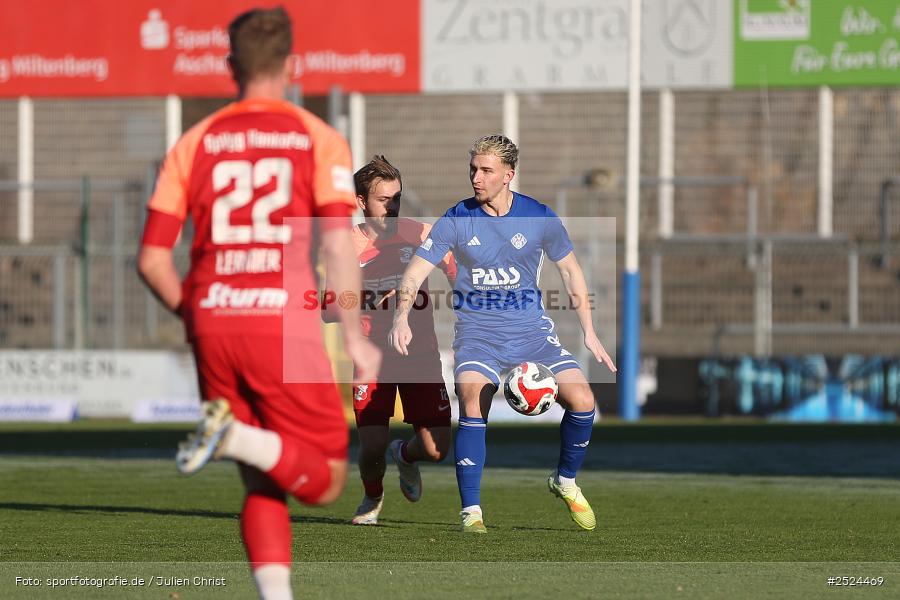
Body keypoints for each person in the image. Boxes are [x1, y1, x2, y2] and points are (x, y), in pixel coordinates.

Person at [137, 8, 380, 599]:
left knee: (263, 481)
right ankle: (229, 436)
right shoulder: (318, 139)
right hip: (280, 324)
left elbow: (150, 259)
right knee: (322, 481)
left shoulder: (192, 143)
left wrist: (199, 318)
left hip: (213, 320)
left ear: (229, 68)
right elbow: (337, 245)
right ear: (293, 67)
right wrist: (353, 337)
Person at [388, 135, 616, 533]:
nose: (476, 177)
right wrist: (401, 316)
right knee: (473, 397)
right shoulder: (457, 218)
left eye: (486, 170)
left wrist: (590, 332)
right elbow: (416, 270)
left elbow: (571, 272)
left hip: (532, 334)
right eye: (473, 169)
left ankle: (564, 481)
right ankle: (471, 512)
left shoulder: (539, 216)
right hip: (479, 335)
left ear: (508, 175)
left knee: (583, 400)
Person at [323, 156, 456, 525]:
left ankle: (407, 456)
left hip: (421, 354)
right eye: (384, 199)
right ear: (361, 201)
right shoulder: (345, 246)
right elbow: (327, 308)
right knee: (372, 447)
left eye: (396, 198)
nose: (393, 206)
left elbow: (457, 269)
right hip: (372, 356)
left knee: (435, 448)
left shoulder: (420, 234)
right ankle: (372, 495)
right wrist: (368, 297)